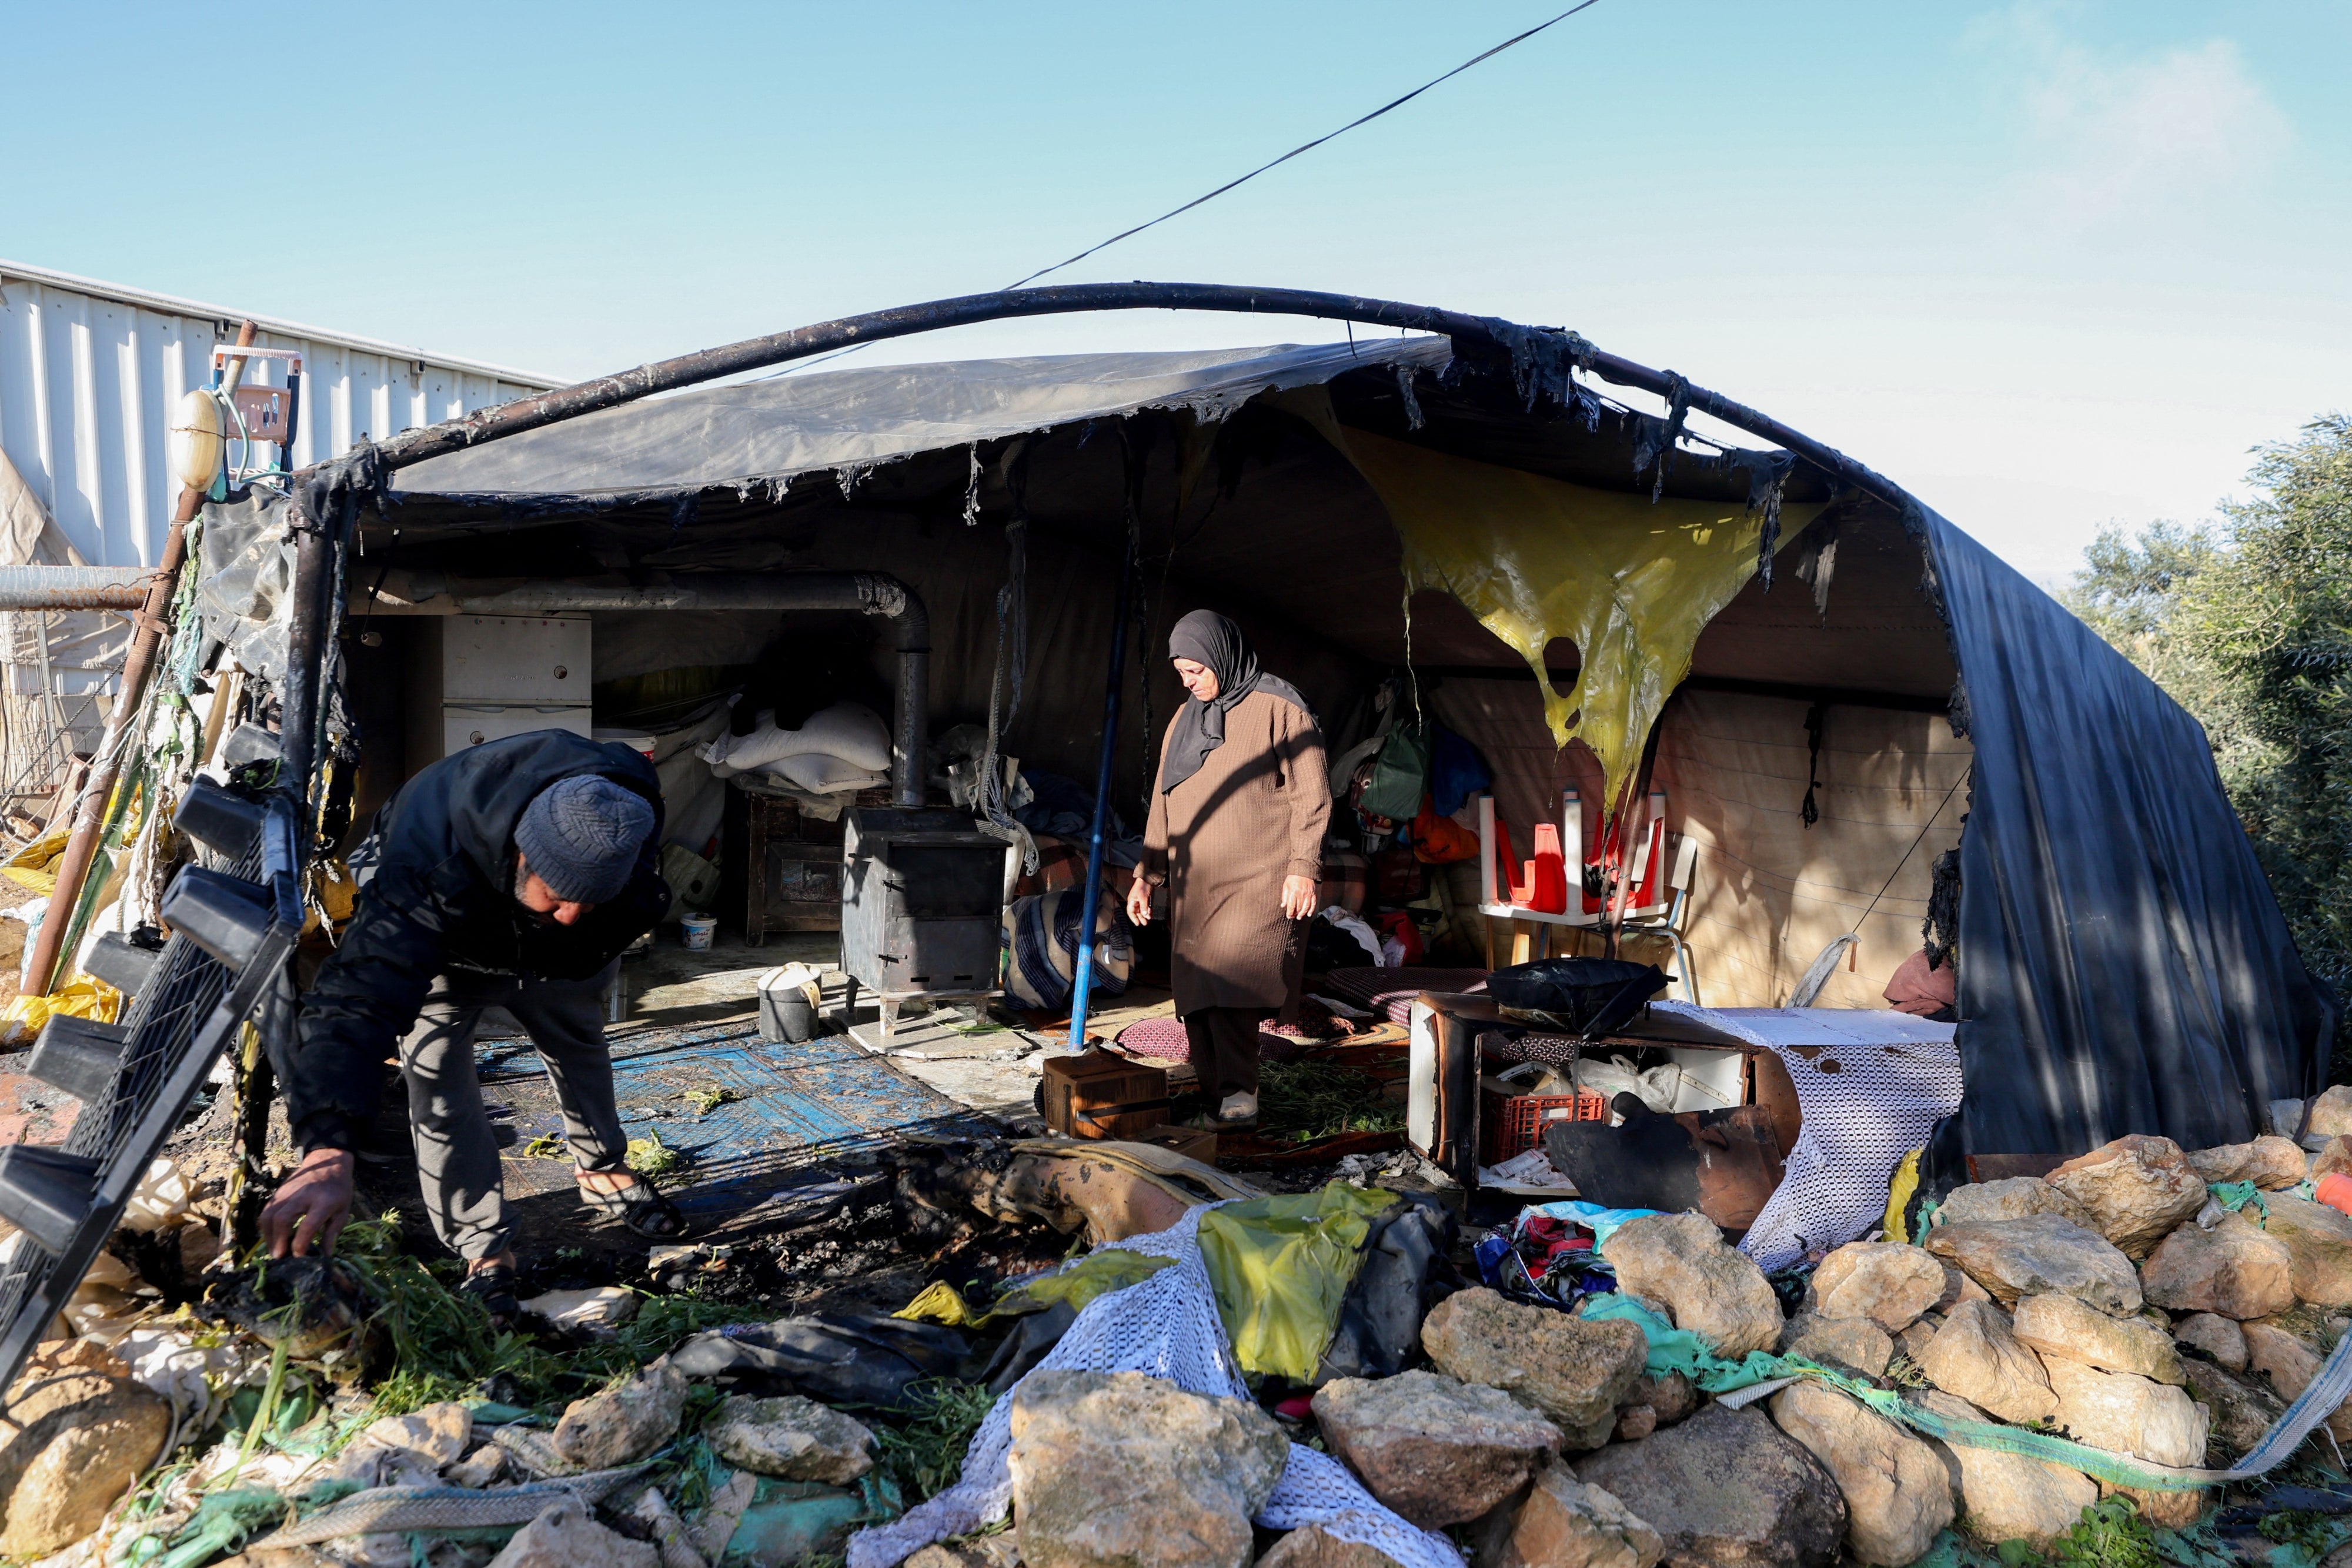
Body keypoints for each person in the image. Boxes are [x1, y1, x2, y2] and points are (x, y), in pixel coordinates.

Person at [259, 730, 681, 1318]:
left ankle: (602, 1167)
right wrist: (327, 1148)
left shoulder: (622, 808)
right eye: (557, 896)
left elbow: (582, 906)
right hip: (450, 937)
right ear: (522, 857)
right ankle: (484, 1248)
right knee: (437, 1076)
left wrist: (585, 920)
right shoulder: (427, 864)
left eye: (591, 901)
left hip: (563, 959)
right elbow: (359, 999)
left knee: (578, 1037)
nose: (569, 917)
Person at [1128, 610, 1329, 1129]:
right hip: (1197, 886)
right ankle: (1215, 1101)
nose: (1190, 682)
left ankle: (1241, 1097)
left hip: (1259, 877)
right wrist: (1146, 876)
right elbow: (1163, 803)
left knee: (1233, 985)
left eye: (1197, 670)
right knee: (1196, 994)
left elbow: (1313, 795)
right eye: (1182, 674)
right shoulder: (1184, 719)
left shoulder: (1280, 708)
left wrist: (1303, 866)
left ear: (1223, 654)